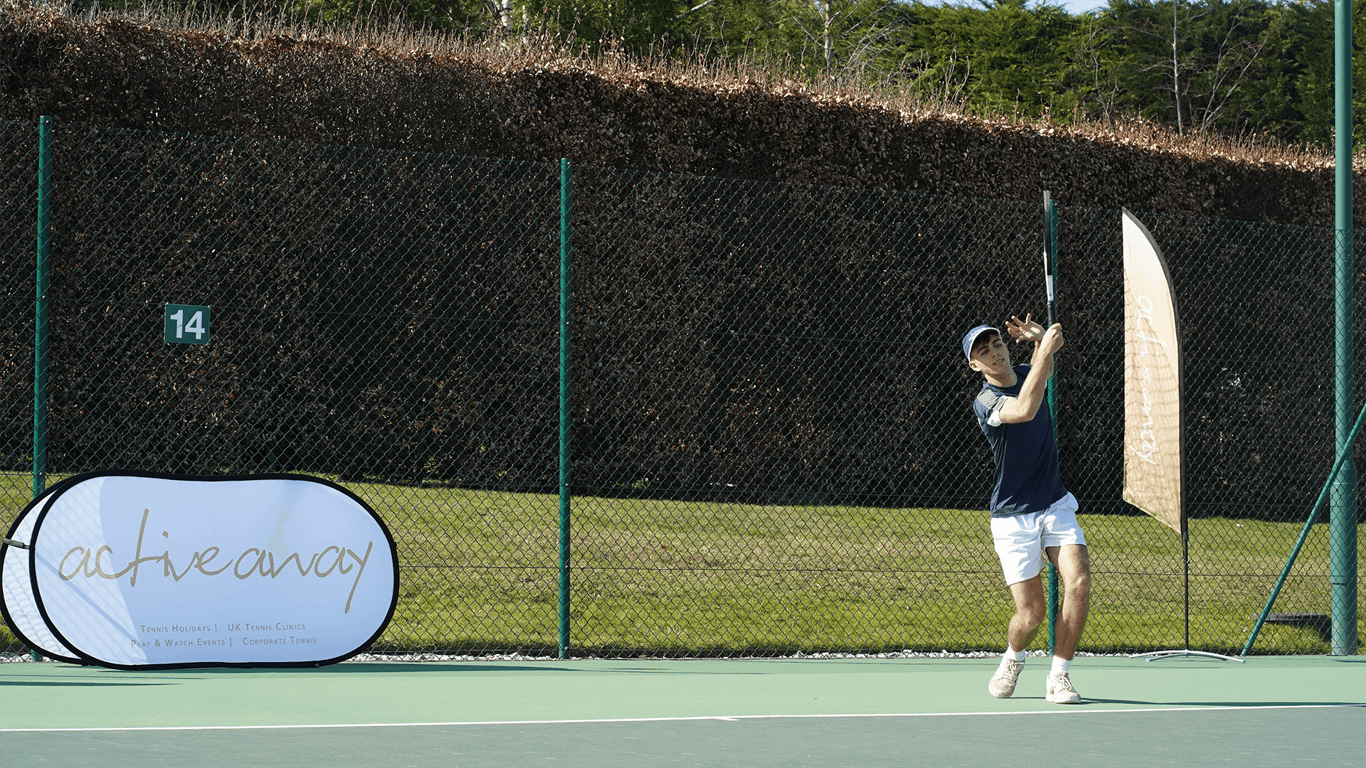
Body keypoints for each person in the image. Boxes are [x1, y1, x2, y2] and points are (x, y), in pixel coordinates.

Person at [962, 315, 1091, 705]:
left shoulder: (1024, 370)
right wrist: (1044, 352)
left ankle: (1059, 676)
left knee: (1079, 582)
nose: (994, 353)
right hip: (1012, 515)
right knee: (1032, 614)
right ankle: (1013, 658)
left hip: (1053, 502)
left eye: (996, 345)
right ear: (975, 366)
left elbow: (1043, 368)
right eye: (983, 352)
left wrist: (1039, 344)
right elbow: (1026, 409)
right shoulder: (985, 401)